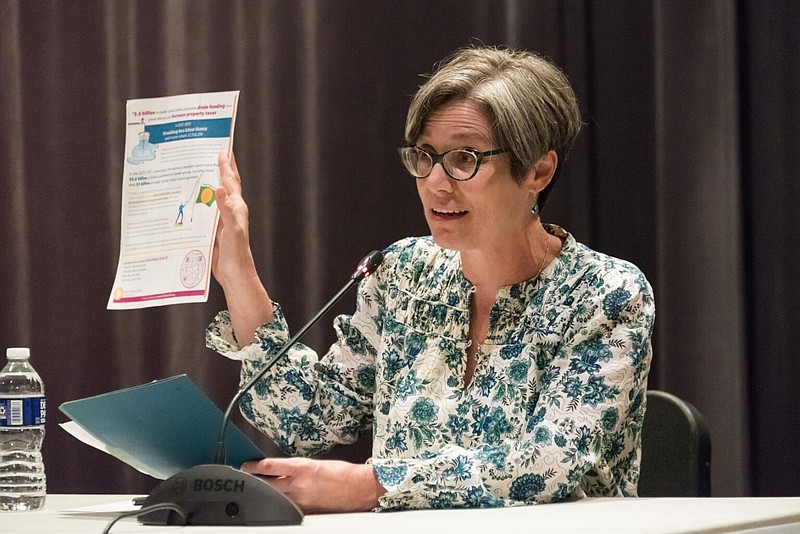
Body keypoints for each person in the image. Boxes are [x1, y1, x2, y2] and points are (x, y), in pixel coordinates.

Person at [206, 46, 655, 513]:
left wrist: (371, 485)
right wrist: (239, 276)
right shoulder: (403, 275)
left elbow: (545, 466)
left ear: (538, 170)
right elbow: (303, 422)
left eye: (465, 159)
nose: (436, 182)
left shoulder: (606, 294)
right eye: (425, 155)